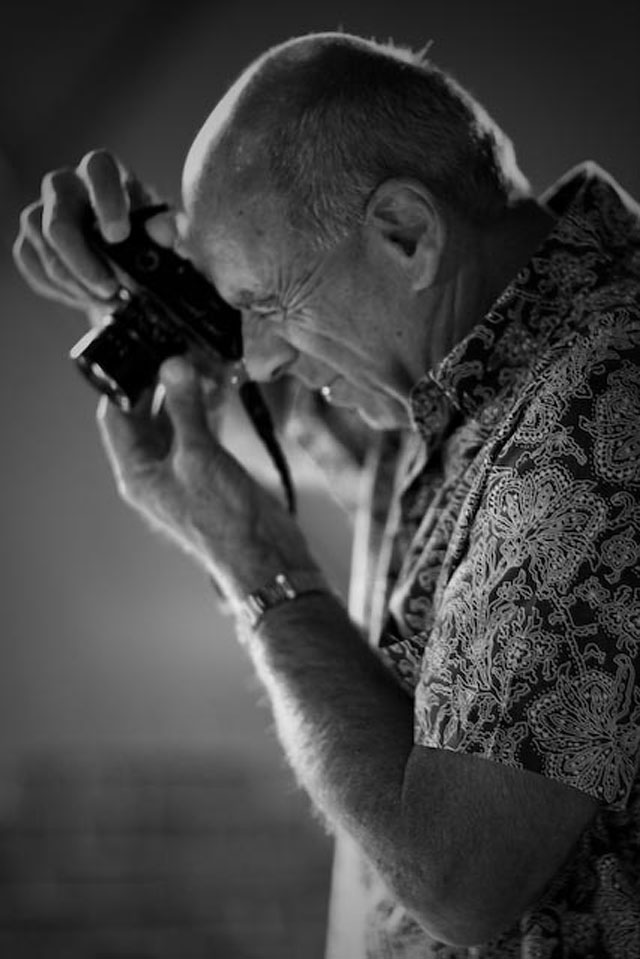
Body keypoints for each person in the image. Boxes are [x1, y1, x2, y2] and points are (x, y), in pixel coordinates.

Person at [13, 30, 640, 958]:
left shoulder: (601, 412)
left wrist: (257, 567)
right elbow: (260, 405)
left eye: (264, 304)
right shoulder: (457, 367)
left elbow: (457, 880)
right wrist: (147, 297)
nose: (256, 351)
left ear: (407, 234)